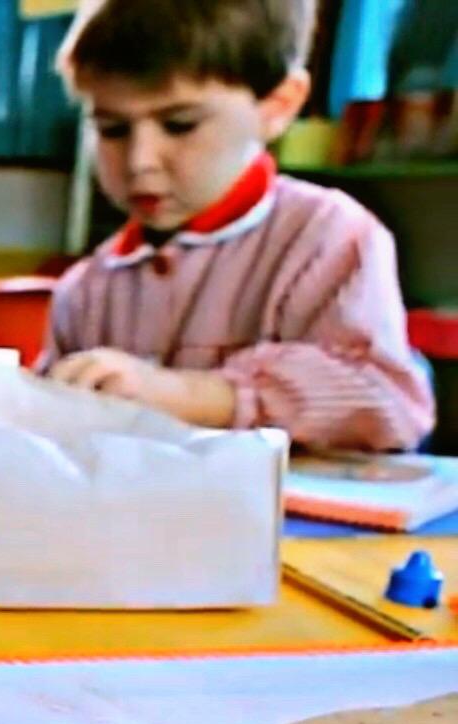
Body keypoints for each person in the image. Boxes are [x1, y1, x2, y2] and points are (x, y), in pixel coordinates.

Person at [41, 0, 434, 452]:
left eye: (179, 125)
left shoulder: (328, 235)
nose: (140, 161)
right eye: (112, 129)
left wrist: (193, 396)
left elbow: (390, 403)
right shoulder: (85, 290)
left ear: (278, 106)